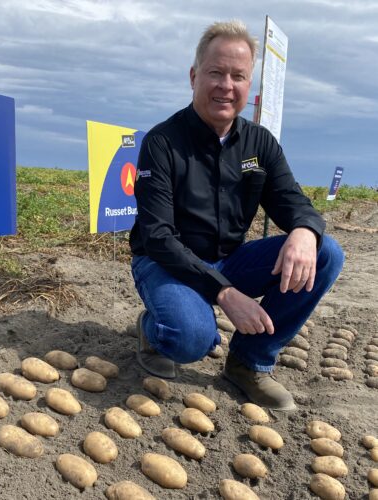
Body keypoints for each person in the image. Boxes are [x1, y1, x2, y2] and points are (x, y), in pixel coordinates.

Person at [129, 20, 344, 411]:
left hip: (228, 259)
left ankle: (249, 362)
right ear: (194, 76)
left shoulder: (259, 143)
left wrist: (304, 231)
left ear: (249, 86)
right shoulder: (162, 143)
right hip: (166, 262)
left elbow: (293, 201)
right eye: (215, 73)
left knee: (327, 252)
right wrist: (225, 293)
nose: (226, 85)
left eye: (238, 76)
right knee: (191, 339)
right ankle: (152, 329)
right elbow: (158, 236)